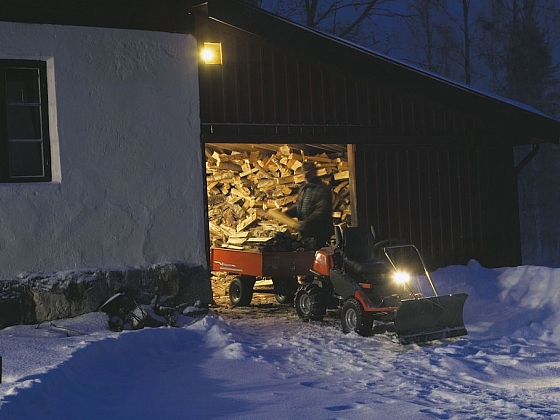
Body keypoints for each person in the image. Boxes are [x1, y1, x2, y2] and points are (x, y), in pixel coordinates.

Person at [285, 161, 333, 249]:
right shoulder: (304, 188)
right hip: (306, 232)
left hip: (319, 233)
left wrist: (306, 222)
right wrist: (286, 213)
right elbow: (299, 207)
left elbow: (321, 211)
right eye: (304, 173)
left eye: (308, 173)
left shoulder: (323, 189)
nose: (305, 176)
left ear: (314, 172)